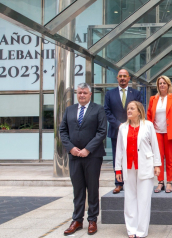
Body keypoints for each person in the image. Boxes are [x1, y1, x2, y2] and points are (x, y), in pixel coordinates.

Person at [59, 83, 107, 236]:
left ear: (90, 94)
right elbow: (63, 131)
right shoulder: (69, 110)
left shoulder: (98, 109)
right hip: (74, 156)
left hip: (92, 156)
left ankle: (92, 219)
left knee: (92, 188)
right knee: (78, 189)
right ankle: (77, 220)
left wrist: (88, 149)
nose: (81, 95)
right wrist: (71, 148)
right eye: (79, 93)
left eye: (84, 93)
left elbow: (101, 132)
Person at [115, 101, 161, 238]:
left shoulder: (148, 125)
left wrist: (157, 164)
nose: (129, 111)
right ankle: (131, 229)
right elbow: (119, 150)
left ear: (139, 111)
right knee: (129, 199)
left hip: (145, 165)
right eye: (128, 108)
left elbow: (155, 146)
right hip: (128, 167)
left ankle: (141, 231)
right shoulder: (122, 128)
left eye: (132, 108)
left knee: (144, 200)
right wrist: (118, 169)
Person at [104, 69, 143, 194]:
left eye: (124, 76)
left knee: (134, 155)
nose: (122, 78)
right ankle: (118, 183)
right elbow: (107, 112)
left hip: (133, 130)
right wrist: (119, 125)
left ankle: (133, 182)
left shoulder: (136, 93)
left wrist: (131, 125)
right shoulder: (109, 94)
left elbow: (139, 110)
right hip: (116, 130)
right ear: (117, 78)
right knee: (118, 157)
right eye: (120, 76)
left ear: (129, 78)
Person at [147, 75, 172, 193]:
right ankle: (160, 182)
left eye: (164, 83)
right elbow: (149, 116)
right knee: (158, 158)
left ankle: (169, 182)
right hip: (156, 132)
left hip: (169, 133)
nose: (162, 85)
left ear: (168, 85)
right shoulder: (153, 99)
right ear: (158, 86)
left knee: (170, 158)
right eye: (160, 83)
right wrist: (148, 132)